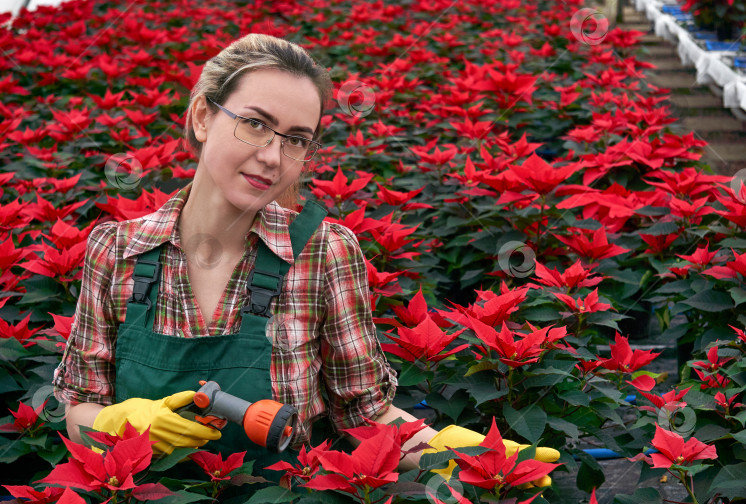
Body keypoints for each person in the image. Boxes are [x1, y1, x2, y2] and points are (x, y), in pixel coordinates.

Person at [52, 33, 557, 479]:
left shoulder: (326, 252)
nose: (273, 157)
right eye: (254, 124)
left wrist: (460, 452)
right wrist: (117, 422)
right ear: (204, 116)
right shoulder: (116, 249)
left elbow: (367, 418)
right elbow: (78, 410)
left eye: (296, 140)